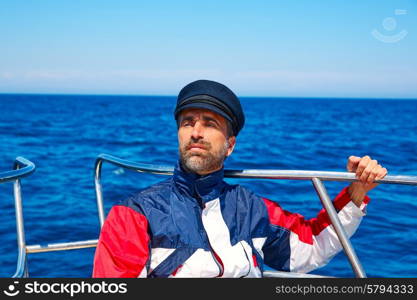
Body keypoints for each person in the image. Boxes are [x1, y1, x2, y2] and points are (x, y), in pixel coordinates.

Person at [92, 79, 388, 278]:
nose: (196, 132)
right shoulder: (134, 215)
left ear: (230, 145)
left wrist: (357, 191)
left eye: (210, 124)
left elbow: (309, 249)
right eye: (188, 122)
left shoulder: (250, 209)